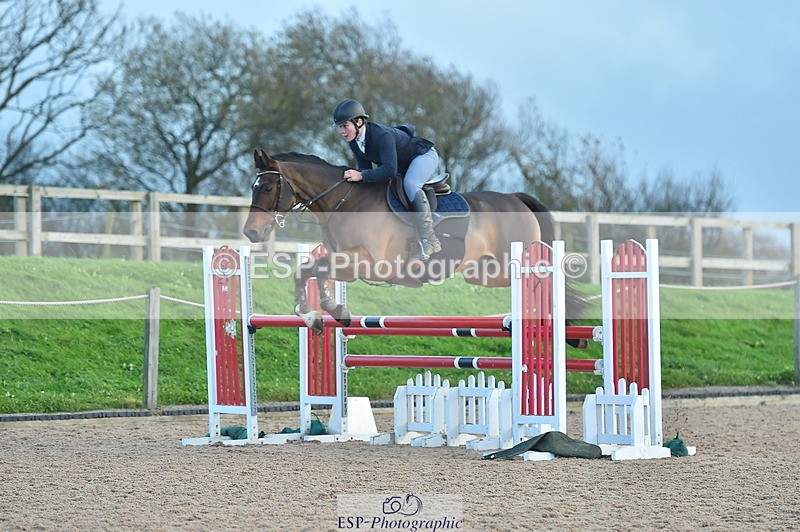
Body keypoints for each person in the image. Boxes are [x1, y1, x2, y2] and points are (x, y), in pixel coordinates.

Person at [333, 99, 441, 262]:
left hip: (422, 156)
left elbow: (389, 170)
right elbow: (365, 168)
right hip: (402, 165)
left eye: (345, 126)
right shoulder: (354, 142)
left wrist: (361, 176)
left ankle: (429, 239)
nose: (342, 131)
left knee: (410, 184)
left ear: (359, 122)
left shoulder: (381, 136)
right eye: (340, 127)